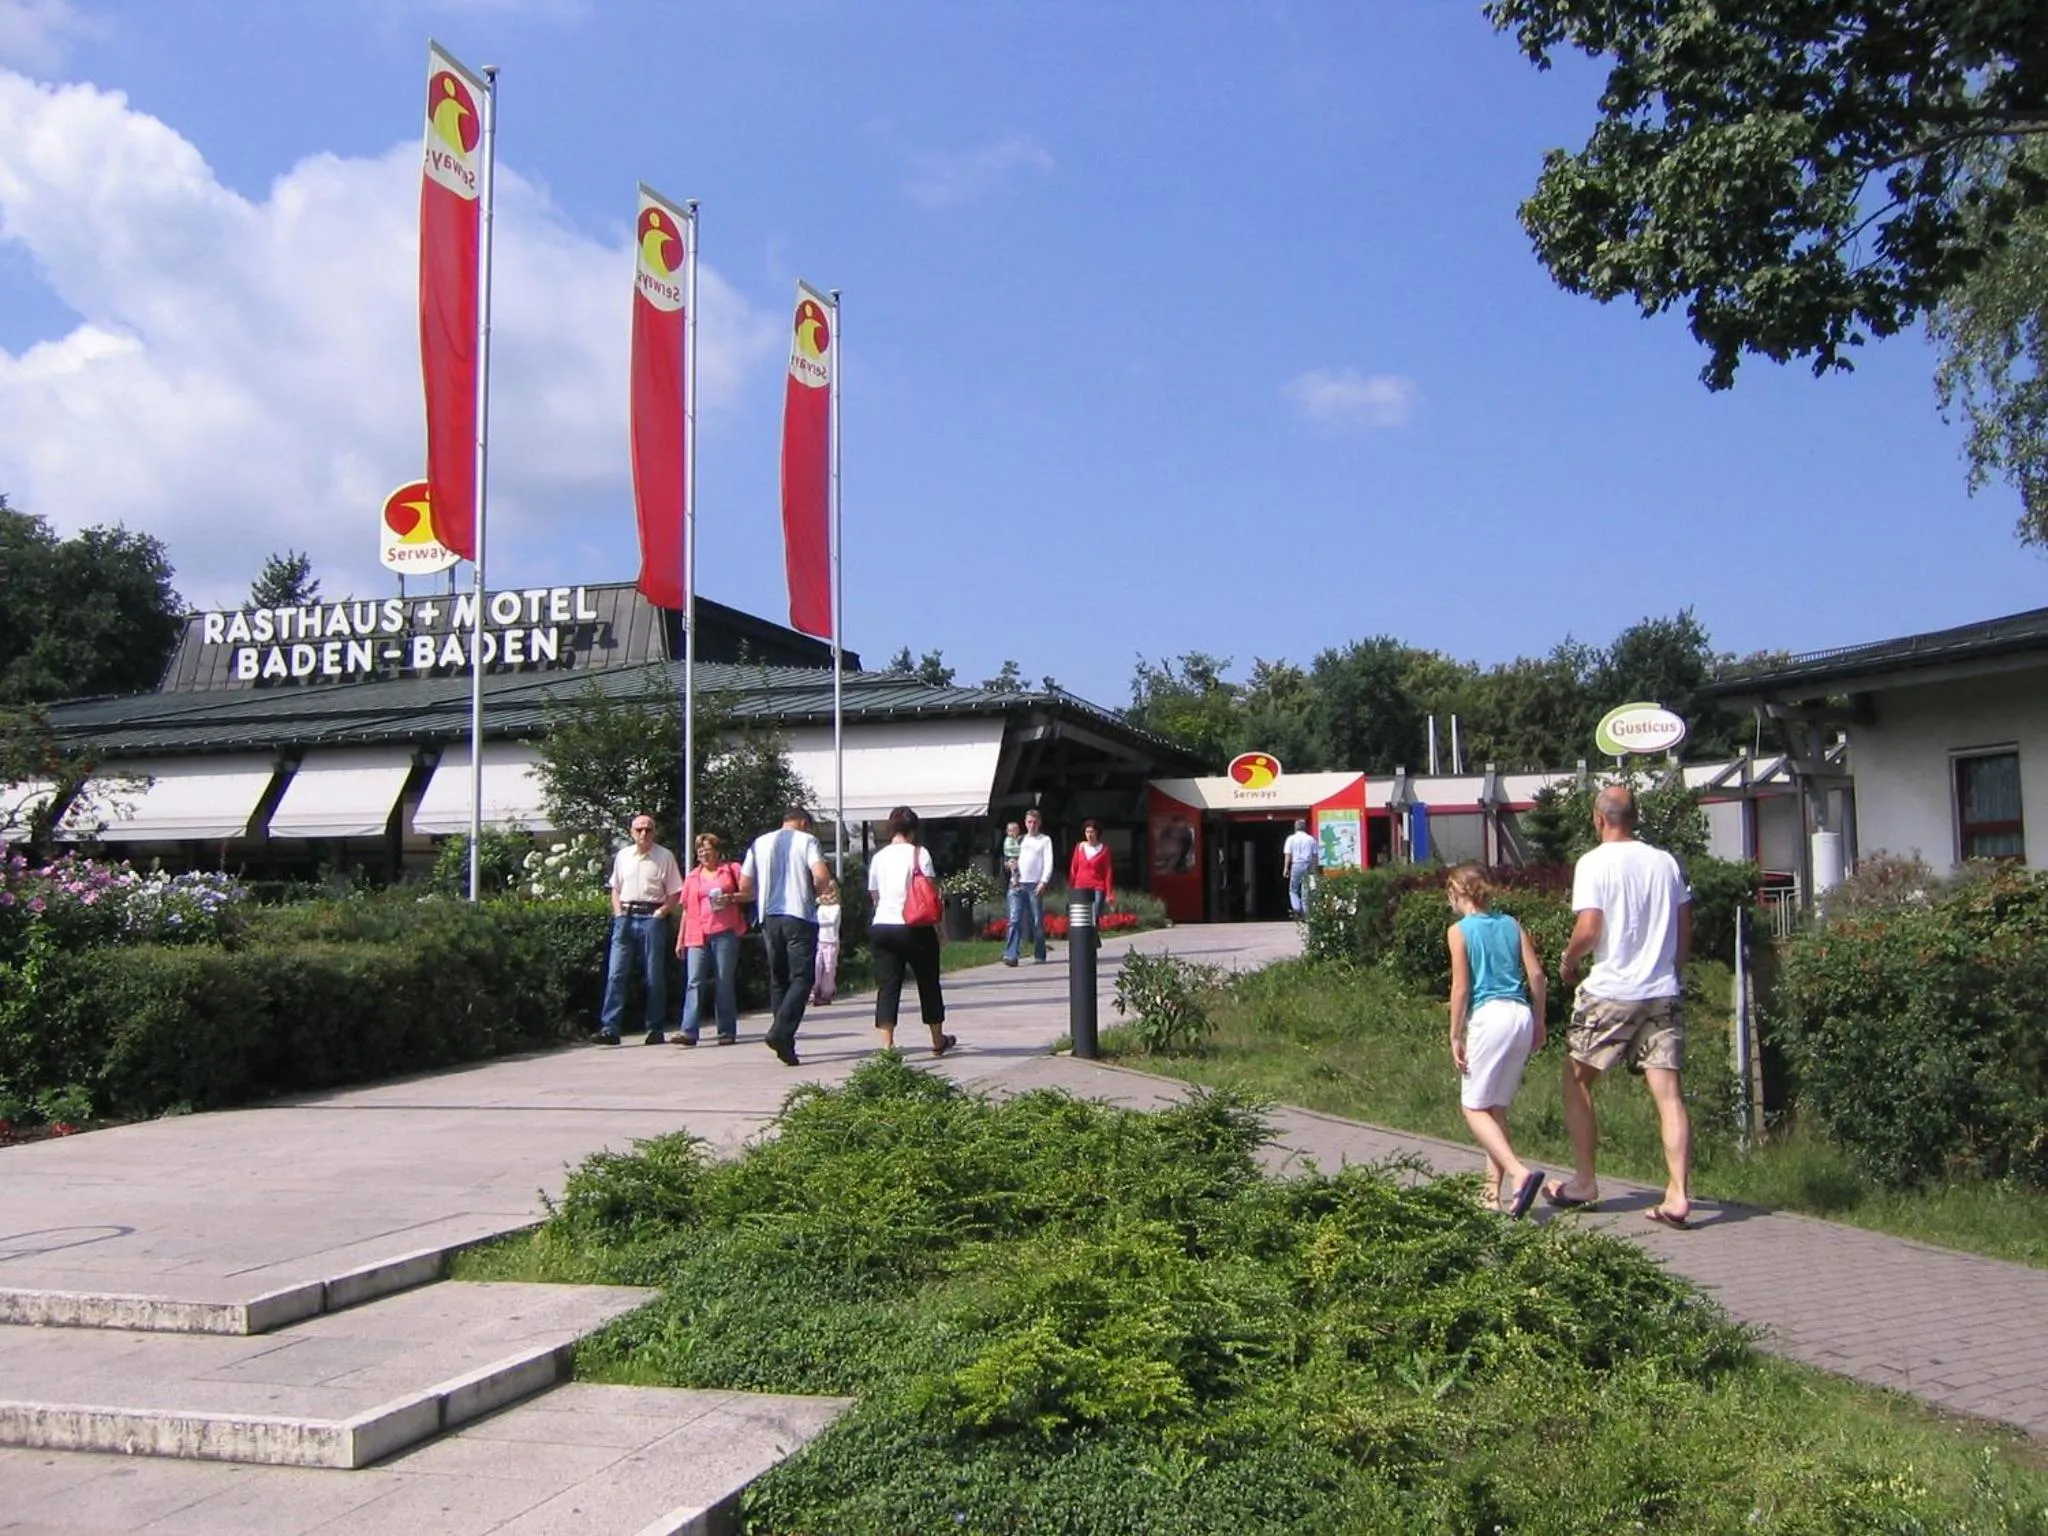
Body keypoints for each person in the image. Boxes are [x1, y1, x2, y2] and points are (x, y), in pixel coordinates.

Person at [1549, 784, 1696, 1228]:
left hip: (1612, 990)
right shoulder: (1665, 862)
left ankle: (1585, 1181)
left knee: (1577, 1079)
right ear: (1634, 817)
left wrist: (1569, 960)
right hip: (1661, 989)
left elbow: (1590, 927)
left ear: (1599, 819)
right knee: (1668, 1094)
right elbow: (1685, 923)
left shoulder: (1594, 863)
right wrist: (1673, 967)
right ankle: (1678, 1194)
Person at [1445, 863, 1547, 1217]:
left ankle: (1520, 1173)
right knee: (1495, 1109)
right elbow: (1536, 975)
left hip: (1490, 1017)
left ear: (1458, 893)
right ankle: (1492, 1195)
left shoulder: (1459, 931)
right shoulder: (1511, 923)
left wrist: (1455, 1033)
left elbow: (1461, 987)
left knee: (1472, 1107)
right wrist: (1540, 1019)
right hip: (1520, 1014)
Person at [736, 804, 838, 1067]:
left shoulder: (759, 843)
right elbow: (821, 875)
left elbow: (745, 886)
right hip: (799, 916)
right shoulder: (807, 841)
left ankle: (785, 1043)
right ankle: (780, 1032)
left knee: (778, 979)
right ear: (804, 824)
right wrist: (819, 892)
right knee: (802, 978)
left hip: (769, 917)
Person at [866, 805, 956, 1057]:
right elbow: (931, 894)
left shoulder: (878, 857)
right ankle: (938, 1039)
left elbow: (874, 895)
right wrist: (941, 928)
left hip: (883, 925)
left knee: (888, 986)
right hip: (915, 927)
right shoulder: (920, 853)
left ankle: (887, 1045)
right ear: (913, 830)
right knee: (928, 982)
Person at [597, 813, 683, 1045]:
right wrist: (618, 913)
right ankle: (610, 1028)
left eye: (648, 829)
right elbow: (615, 887)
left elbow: (675, 891)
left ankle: (655, 1028)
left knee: (653, 976)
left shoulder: (664, 856)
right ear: (631, 832)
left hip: (651, 917)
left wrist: (661, 913)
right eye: (639, 830)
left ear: (654, 832)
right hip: (625, 916)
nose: (643, 834)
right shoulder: (623, 856)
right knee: (616, 974)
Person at [674, 832, 744, 1046]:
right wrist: (680, 939)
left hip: (724, 931)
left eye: (707, 849)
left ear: (717, 851)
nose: (704, 853)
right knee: (694, 981)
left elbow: (749, 893)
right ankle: (689, 1031)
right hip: (697, 934)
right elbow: (686, 909)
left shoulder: (730, 871)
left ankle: (726, 1031)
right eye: (700, 850)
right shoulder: (692, 877)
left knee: (724, 981)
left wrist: (730, 897)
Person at [1003, 807, 1055, 967]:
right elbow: (1008, 860)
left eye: (1034, 822)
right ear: (1025, 823)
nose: (1032, 825)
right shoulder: (1019, 840)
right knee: (1014, 920)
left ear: (1039, 823)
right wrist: (1008, 865)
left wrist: (1043, 882)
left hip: (1034, 884)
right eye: (1029, 822)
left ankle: (1039, 953)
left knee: (1037, 921)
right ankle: (1011, 954)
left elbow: (1048, 862)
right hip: (1017, 884)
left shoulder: (1044, 840)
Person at [1067, 819, 1114, 921]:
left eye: (1091, 832)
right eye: (1087, 832)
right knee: (1083, 919)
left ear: (1097, 832)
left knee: (1094, 917)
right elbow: (1073, 867)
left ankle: (1093, 936)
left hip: (1097, 887)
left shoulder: (1104, 849)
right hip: (1080, 887)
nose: (1089, 835)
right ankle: (1092, 937)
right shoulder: (1079, 847)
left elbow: (1108, 872)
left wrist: (1109, 893)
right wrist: (1071, 887)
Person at [1282, 818, 1319, 918]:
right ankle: (1306, 914)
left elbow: (1288, 855)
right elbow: (1315, 856)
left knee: (1293, 889)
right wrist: (1315, 869)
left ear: (1295, 828)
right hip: (1308, 864)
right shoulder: (1311, 839)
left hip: (1296, 865)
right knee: (1306, 890)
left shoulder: (1291, 839)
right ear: (1305, 828)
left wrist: (1286, 868)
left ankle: (1297, 908)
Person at [812, 896, 841, 1006]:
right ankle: (816, 989)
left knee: (829, 966)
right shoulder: (820, 908)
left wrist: (819, 921)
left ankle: (827, 992)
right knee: (818, 965)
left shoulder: (836, 907)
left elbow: (831, 921)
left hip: (832, 940)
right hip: (821, 939)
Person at [1001, 821, 1024, 886]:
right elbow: (1011, 848)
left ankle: (1017, 881)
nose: (1012, 832)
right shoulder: (1008, 839)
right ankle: (1013, 881)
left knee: (1018, 869)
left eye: (1014, 830)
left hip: (1015, 856)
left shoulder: (1015, 839)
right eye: (1010, 831)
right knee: (1014, 868)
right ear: (1007, 831)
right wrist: (1020, 849)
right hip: (1010, 856)